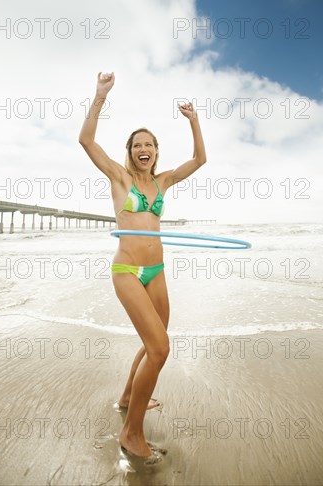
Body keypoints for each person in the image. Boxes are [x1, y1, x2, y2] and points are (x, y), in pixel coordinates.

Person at [78, 72, 207, 460]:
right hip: (128, 272)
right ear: (130, 151)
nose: (143, 149)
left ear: (156, 151)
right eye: (137, 145)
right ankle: (131, 433)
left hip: (157, 272)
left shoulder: (163, 182)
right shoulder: (120, 178)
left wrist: (194, 120)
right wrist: (100, 96)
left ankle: (127, 397)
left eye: (149, 144)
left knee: (154, 342)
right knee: (160, 348)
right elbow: (86, 141)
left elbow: (200, 159)